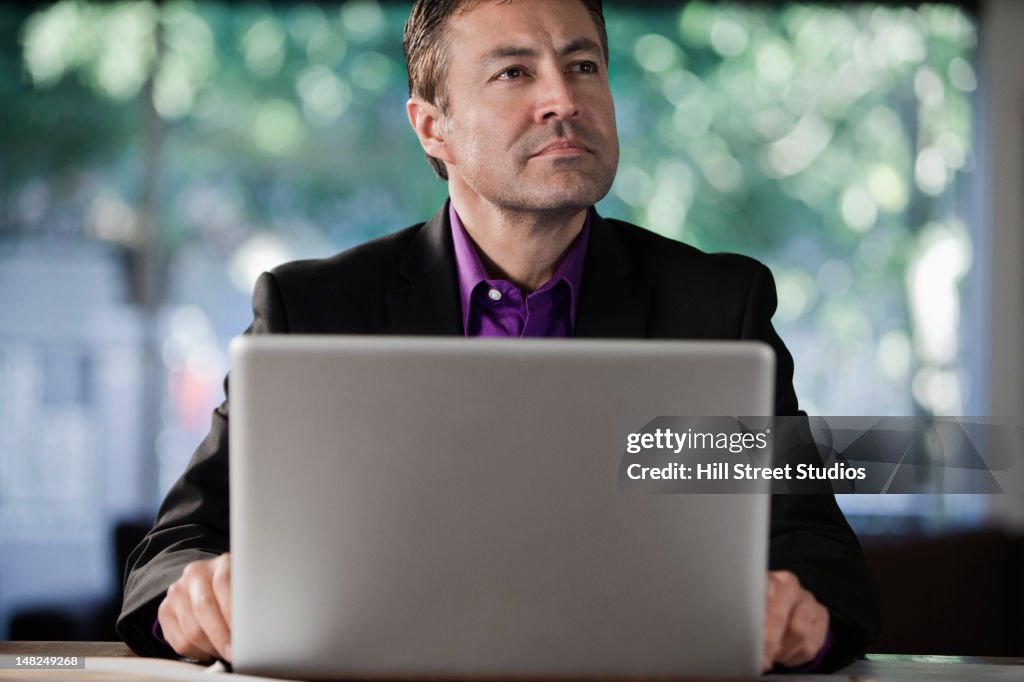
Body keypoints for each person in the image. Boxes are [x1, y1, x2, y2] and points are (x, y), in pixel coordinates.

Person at [118, 0, 880, 673]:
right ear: (433, 127)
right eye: (515, 73)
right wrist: (197, 600)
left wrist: (797, 621)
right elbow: (171, 554)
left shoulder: (716, 307)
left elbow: (819, 558)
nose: (563, 99)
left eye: (582, 65)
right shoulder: (311, 308)